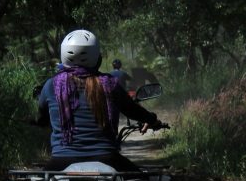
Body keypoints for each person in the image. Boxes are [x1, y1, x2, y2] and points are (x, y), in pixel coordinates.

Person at [37, 29, 162, 171]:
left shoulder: (51, 85)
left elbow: (41, 118)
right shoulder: (110, 84)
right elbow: (133, 110)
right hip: (107, 158)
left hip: (61, 160)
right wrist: (152, 120)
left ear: (63, 56)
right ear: (98, 58)